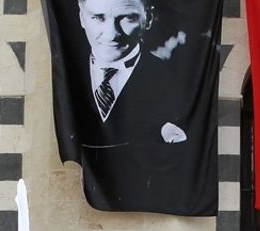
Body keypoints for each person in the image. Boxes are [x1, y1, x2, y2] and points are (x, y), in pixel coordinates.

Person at [68, 0, 214, 214]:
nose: (111, 34)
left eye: (127, 18)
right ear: (82, 17)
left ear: (148, 19)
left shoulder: (178, 87)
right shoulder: (66, 77)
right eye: (98, 18)